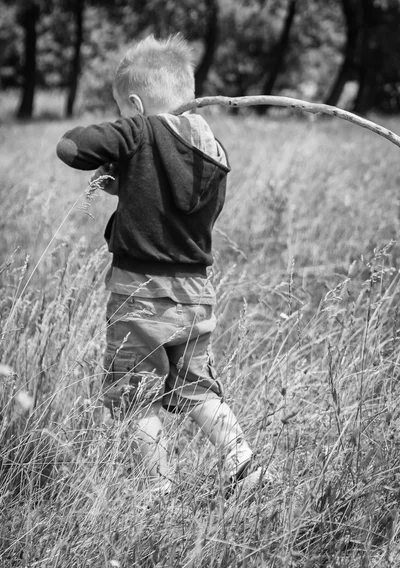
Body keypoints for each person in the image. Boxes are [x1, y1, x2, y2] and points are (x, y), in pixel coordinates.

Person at [56, 34, 257, 499]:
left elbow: (72, 148)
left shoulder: (139, 129)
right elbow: (170, 200)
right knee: (196, 389)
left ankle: (159, 492)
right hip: (196, 293)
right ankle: (245, 465)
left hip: (141, 293)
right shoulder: (211, 147)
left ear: (133, 103)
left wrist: (127, 134)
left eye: (125, 112)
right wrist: (127, 178)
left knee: (133, 394)